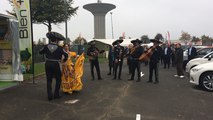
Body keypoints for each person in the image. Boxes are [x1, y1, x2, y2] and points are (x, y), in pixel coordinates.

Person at [39, 31, 68, 101]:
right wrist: (64, 61)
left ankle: (49, 96)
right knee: (58, 79)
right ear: (57, 40)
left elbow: (40, 52)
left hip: (48, 63)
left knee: (49, 80)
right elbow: (66, 55)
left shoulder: (46, 46)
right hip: (56, 64)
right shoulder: (60, 48)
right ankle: (56, 94)